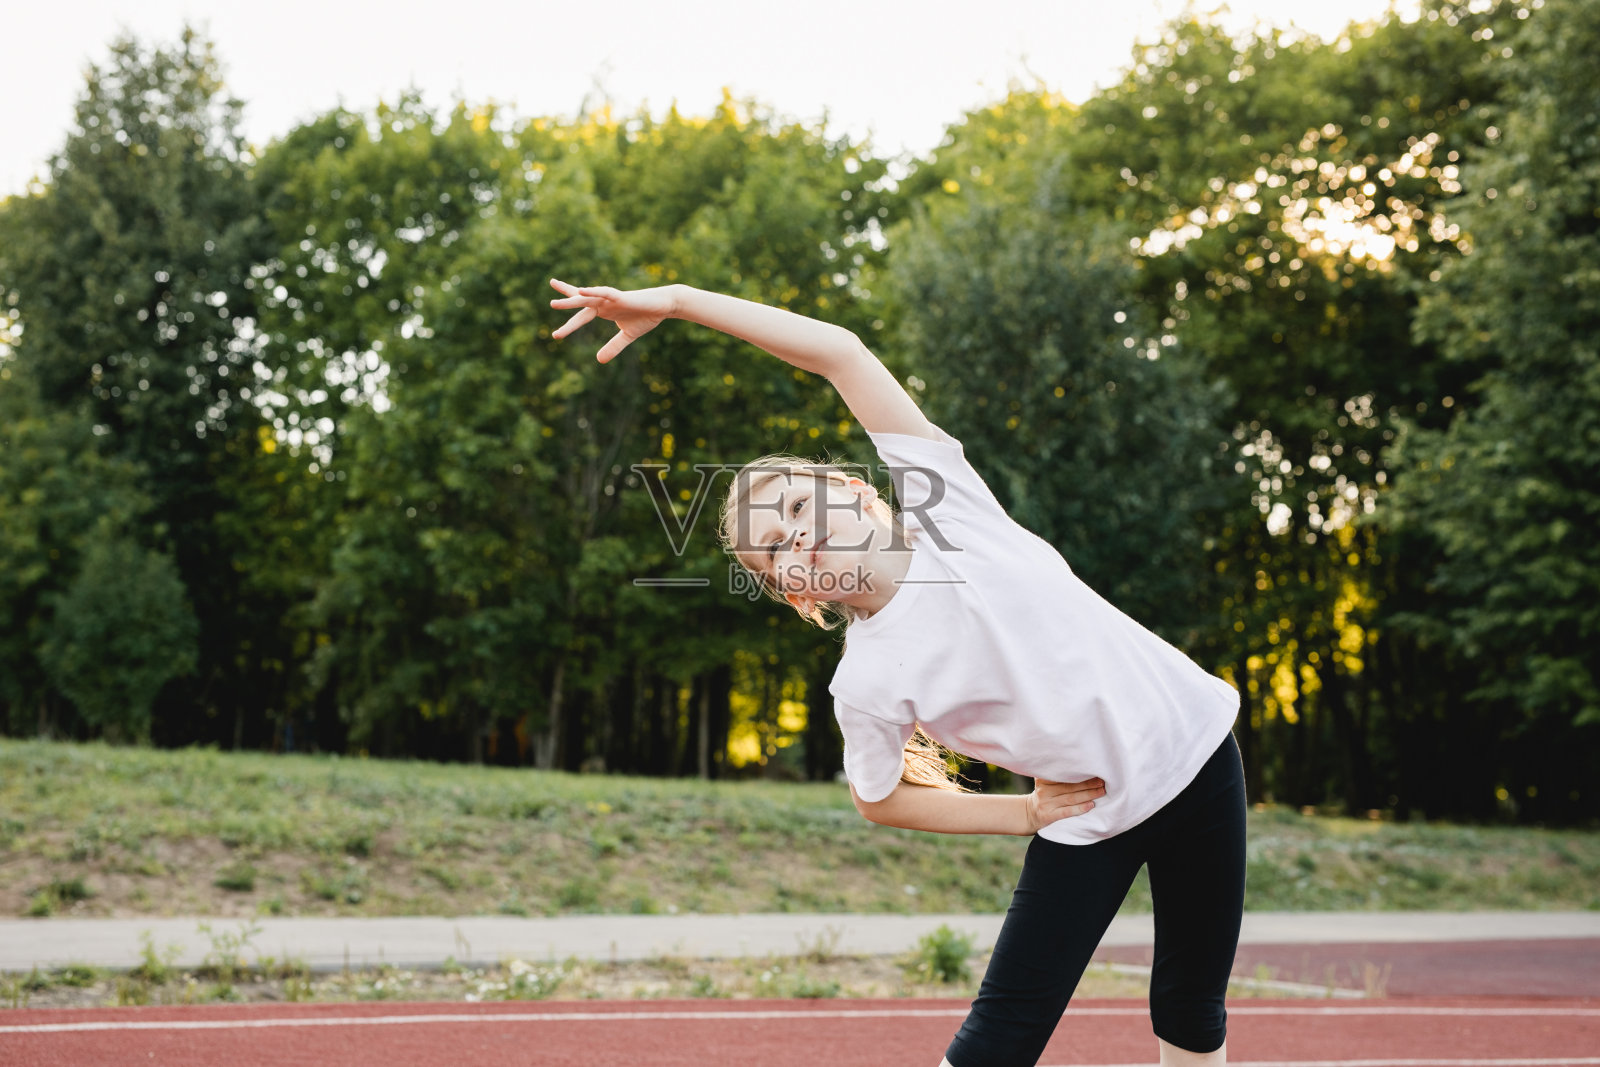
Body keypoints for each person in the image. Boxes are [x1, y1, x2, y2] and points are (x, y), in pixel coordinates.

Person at [548, 277, 1246, 1067]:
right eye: (774, 551)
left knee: (1189, 1006)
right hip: (1089, 812)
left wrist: (677, 301)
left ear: (851, 490)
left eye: (798, 510)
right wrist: (1022, 816)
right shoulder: (866, 680)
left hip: (1196, 755)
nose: (795, 540)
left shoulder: (951, 509)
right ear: (795, 593)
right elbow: (877, 798)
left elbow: (840, 353)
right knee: (997, 1040)